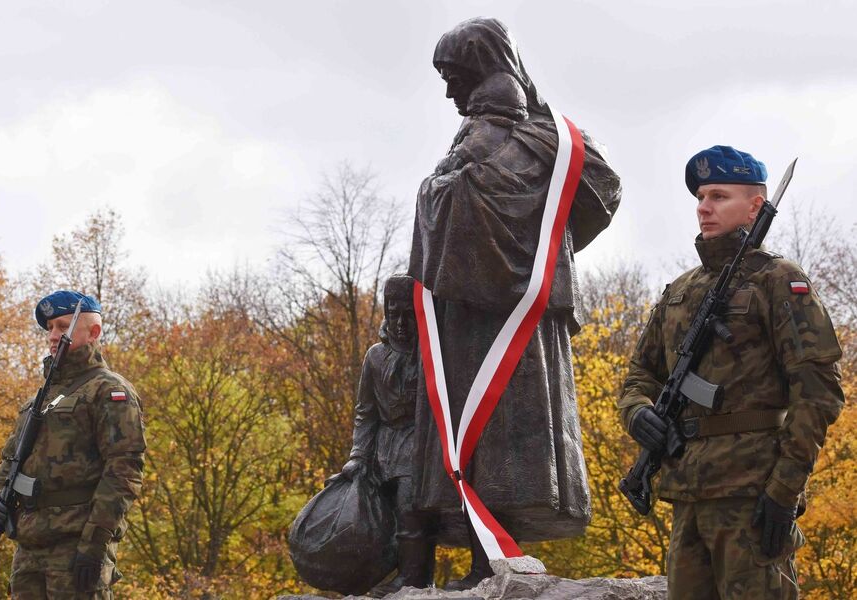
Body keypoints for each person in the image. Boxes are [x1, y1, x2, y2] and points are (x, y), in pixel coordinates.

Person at [408, 17, 622, 589]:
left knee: (509, 431)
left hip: (517, 314)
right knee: (476, 431)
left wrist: (543, 238)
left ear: (482, 68)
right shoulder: (501, 133)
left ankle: (495, 557)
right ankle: (484, 556)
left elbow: (601, 187)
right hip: (468, 308)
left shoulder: (545, 136)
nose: (450, 91)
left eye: (455, 76)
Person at [618, 145, 844, 599]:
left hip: (752, 494)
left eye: (719, 196)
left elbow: (818, 394)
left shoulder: (779, 281)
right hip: (687, 494)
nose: (704, 208)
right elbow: (640, 376)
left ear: (755, 206)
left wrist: (783, 491)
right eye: (701, 197)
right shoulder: (681, 291)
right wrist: (638, 412)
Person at [0, 291, 146, 599]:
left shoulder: (109, 391)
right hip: (28, 551)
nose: (53, 335)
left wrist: (94, 544)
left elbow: (124, 474)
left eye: (62, 326)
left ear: (93, 332)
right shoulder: (39, 400)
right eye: (50, 328)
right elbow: (8, 464)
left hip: (76, 550)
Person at [339, 274, 433, 595]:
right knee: (391, 517)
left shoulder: (430, 354)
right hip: (384, 449)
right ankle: (410, 576)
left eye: (408, 314)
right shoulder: (374, 357)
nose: (401, 322)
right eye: (394, 314)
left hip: (419, 445)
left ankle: (414, 578)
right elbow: (366, 412)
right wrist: (357, 457)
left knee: (411, 510)